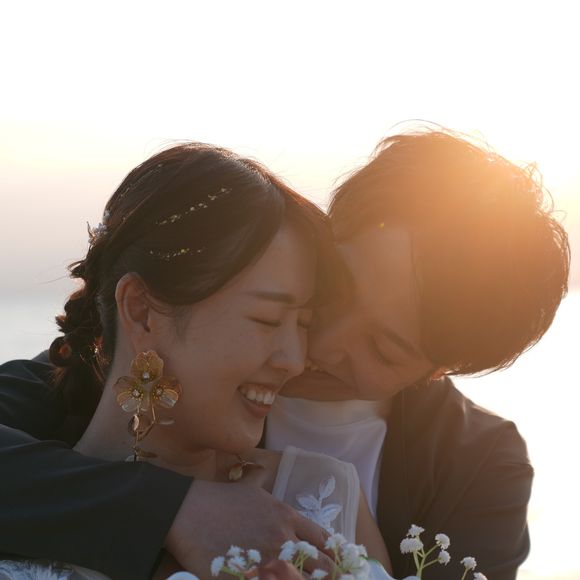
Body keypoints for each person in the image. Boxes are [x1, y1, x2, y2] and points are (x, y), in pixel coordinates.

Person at [0, 128, 570, 579]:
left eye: (382, 347)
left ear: (437, 370)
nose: (317, 345)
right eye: (337, 290)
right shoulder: (119, 377)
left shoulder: (477, 469)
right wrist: (174, 509)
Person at [0, 142, 391, 579]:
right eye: (266, 319)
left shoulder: (322, 499)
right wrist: (170, 510)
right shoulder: (19, 506)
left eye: (303, 323)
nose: (295, 360)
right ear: (141, 311)